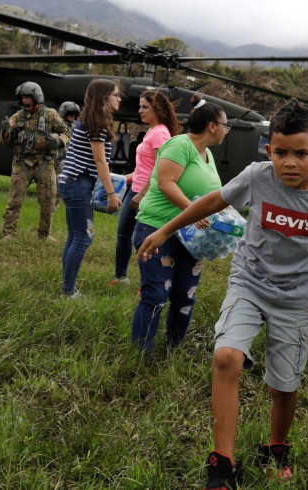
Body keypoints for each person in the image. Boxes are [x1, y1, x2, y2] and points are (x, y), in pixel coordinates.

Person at [136, 98, 308, 489]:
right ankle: (222, 465)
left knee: (283, 385)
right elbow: (213, 201)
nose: (289, 162)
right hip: (249, 283)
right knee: (226, 357)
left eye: (300, 154)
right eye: (280, 152)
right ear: (268, 151)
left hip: (294, 297)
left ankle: (277, 447)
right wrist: (166, 230)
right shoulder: (257, 176)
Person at [130, 93, 223, 352]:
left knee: (185, 296)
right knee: (157, 294)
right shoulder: (179, 145)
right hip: (158, 229)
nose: (227, 131)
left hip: (192, 237)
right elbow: (165, 183)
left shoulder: (207, 155)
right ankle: (141, 356)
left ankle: (174, 350)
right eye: (226, 126)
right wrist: (193, 210)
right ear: (212, 126)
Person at [57, 79, 122, 297]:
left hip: (70, 182)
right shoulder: (97, 123)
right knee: (84, 237)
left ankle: (67, 287)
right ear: (104, 97)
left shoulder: (89, 120)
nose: (119, 98)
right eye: (116, 94)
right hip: (78, 183)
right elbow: (100, 161)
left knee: (74, 237)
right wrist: (111, 193)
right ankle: (68, 291)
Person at [112, 90, 181, 286]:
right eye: (140, 106)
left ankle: (148, 283)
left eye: (144, 107)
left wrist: (142, 194)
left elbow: (161, 168)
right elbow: (146, 167)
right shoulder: (152, 130)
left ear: (157, 109)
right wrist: (123, 178)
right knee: (124, 234)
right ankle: (121, 277)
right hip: (135, 188)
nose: (140, 111)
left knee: (143, 239)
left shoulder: (160, 134)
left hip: (146, 194)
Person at [0, 81, 71, 240]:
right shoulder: (17, 117)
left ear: (36, 97)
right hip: (22, 163)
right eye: (23, 97)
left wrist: (59, 141)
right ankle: (9, 234)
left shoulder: (50, 114)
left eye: (28, 97)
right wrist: (5, 131)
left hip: (45, 164)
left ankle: (44, 235)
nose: (25, 101)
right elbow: (4, 143)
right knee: (14, 201)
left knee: (48, 202)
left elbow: (66, 133)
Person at [54, 101, 81, 208]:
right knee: (55, 191)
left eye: (74, 115)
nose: (72, 117)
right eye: (70, 114)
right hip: (58, 161)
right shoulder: (57, 126)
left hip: (71, 163)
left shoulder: (77, 127)